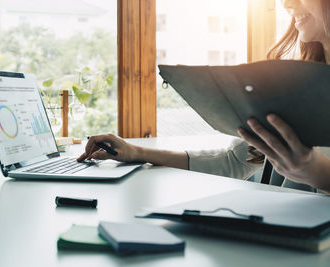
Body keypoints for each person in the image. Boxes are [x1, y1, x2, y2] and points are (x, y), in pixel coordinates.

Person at [78, 0, 330, 193]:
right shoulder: (294, 85)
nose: (287, 4)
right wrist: (135, 152)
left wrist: (317, 173)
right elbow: (233, 162)